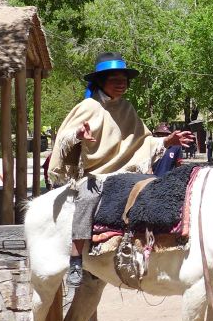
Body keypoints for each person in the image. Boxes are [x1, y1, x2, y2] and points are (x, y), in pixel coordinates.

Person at [50, 53, 194, 288]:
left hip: (127, 172)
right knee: (87, 197)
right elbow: (64, 138)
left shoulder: (127, 108)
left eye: (124, 79)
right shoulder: (88, 106)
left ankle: (151, 250)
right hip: (97, 174)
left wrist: (168, 141)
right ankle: (76, 259)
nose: (121, 83)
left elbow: (143, 142)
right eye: (115, 79)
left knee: (153, 189)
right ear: (101, 81)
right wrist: (79, 135)